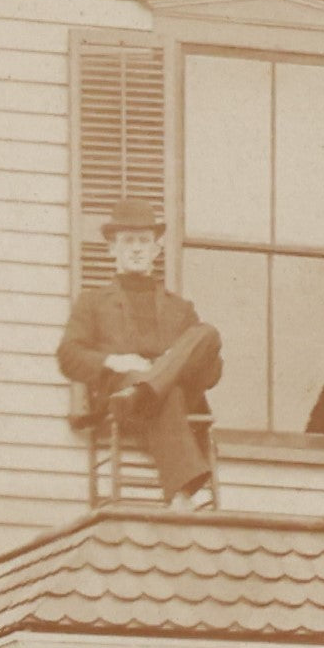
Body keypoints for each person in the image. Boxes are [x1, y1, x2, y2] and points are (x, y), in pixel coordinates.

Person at [57, 199, 223, 509]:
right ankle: (183, 495)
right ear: (112, 249)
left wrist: (174, 364)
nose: (136, 249)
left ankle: (147, 389)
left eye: (144, 241)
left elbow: (212, 374)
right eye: (128, 241)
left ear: (156, 250)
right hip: (122, 395)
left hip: (156, 396)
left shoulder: (181, 308)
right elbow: (68, 355)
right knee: (165, 389)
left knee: (208, 333)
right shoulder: (92, 303)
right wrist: (115, 361)